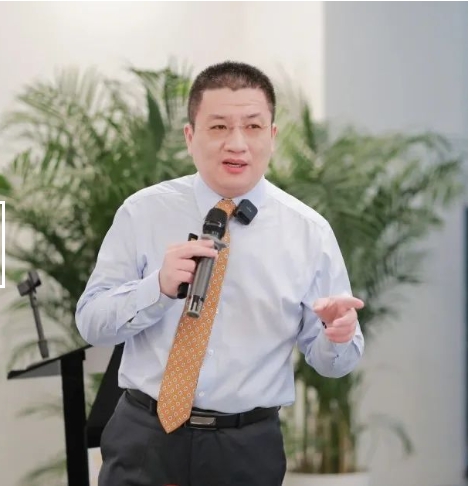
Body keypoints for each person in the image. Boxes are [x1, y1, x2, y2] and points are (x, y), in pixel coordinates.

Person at [75, 60, 365, 486]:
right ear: (190, 136)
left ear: (272, 135)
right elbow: (91, 322)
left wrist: (337, 336)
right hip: (145, 439)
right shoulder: (143, 212)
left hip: (245, 449)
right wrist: (157, 288)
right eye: (218, 127)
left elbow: (333, 364)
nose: (237, 143)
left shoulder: (309, 232)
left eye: (252, 126)